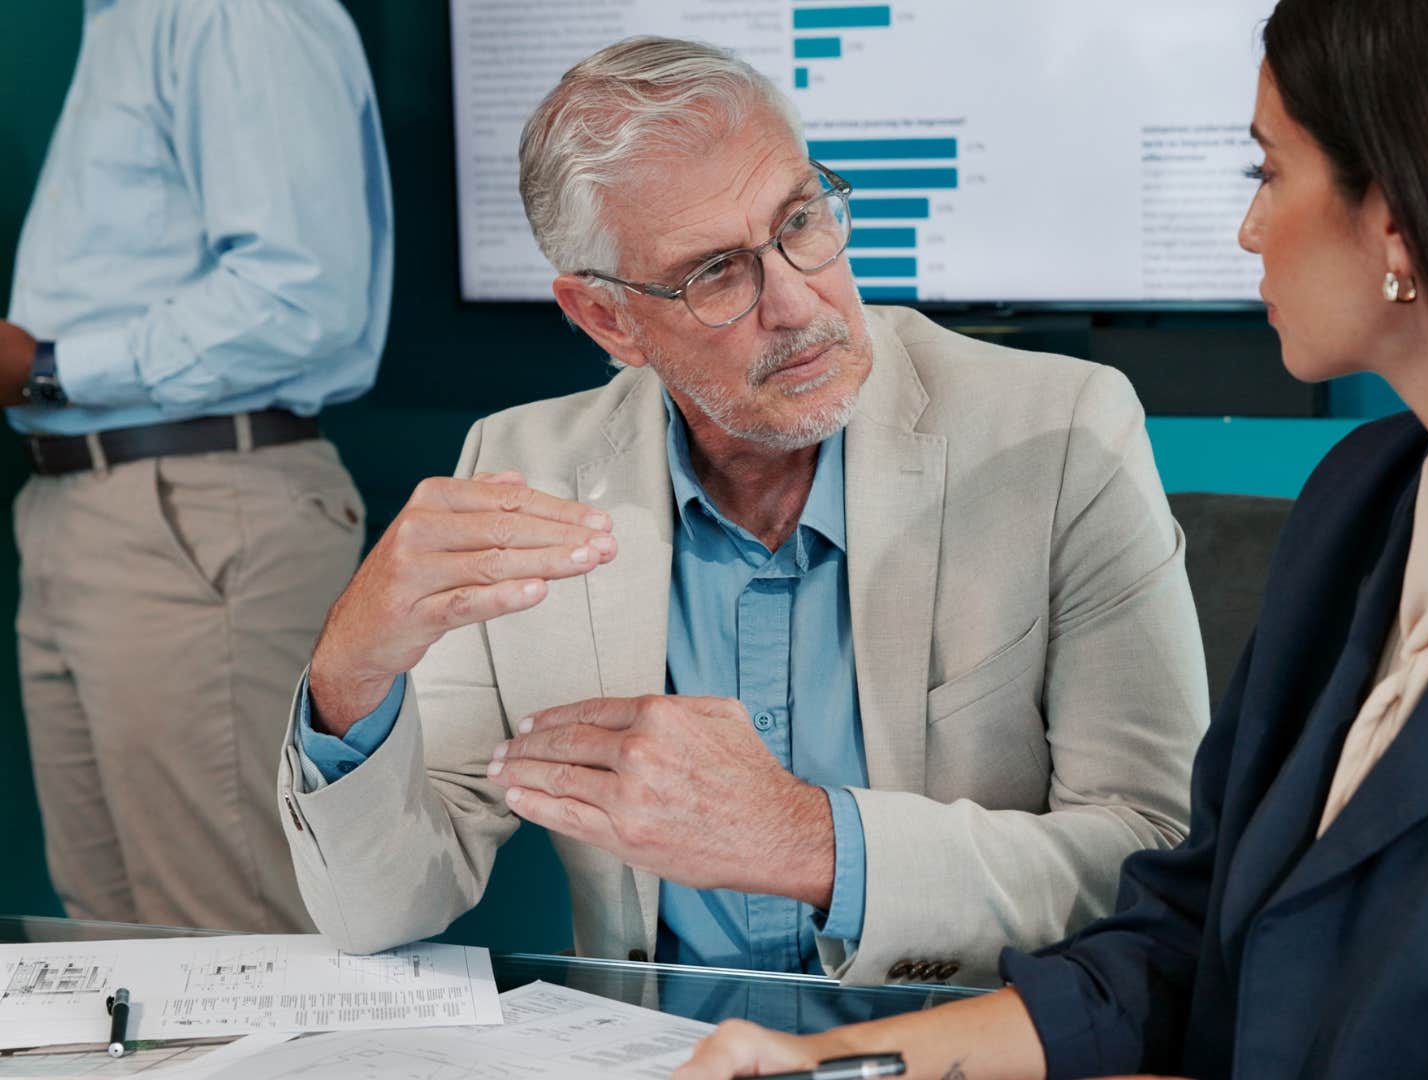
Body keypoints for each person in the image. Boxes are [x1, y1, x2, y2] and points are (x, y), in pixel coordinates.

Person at [673, 0, 1428, 1073]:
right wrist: (832, 1065)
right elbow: (1181, 938)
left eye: (1268, 171)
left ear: (1403, 226)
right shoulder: (1365, 507)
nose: (1248, 230)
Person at [274, 37, 1208, 987]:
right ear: (607, 319)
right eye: (716, 272)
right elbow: (377, 909)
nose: (799, 302)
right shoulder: (524, 472)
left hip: (950, 1046)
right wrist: (349, 669)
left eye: (801, 219)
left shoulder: (1057, 434)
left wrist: (806, 843)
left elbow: (1156, 860)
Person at [1, 0, 392, 932]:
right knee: (113, 948)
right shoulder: (132, 19)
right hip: (89, 501)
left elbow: (302, 297)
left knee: (232, 948)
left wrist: (47, 368)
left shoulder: (230, 13)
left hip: (192, 502)